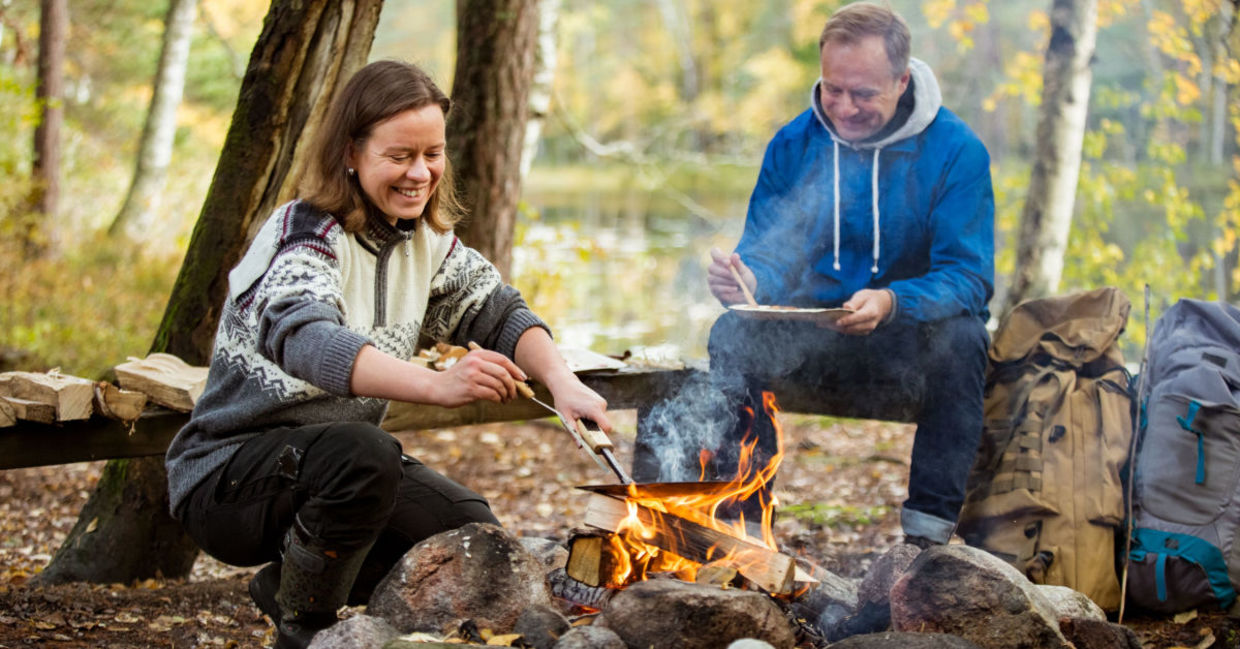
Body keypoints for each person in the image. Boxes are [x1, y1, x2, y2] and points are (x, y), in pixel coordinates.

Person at [164, 60, 611, 649]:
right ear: (351, 152)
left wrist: (562, 381)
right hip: (228, 478)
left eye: (433, 153)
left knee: (469, 534)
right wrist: (439, 386)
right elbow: (306, 338)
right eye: (400, 155)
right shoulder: (304, 234)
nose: (420, 173)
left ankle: (289, 586)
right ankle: (307, 628)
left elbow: (499, 311)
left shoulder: (426, 244)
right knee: (364, 452)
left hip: (335, 469)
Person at [698, 2, 993, 548]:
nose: (843, 107)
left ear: (902, 80)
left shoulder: (956, 152)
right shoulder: (794, 143)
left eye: (863, 94)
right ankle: (740, 522)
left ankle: (926, 539)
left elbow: (969, 278)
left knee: (966, 338)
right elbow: (768, 254)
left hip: (904, 346)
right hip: (812, 342)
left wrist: (892, 301)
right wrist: (748, 281)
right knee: (732, 333)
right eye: (833, 89)